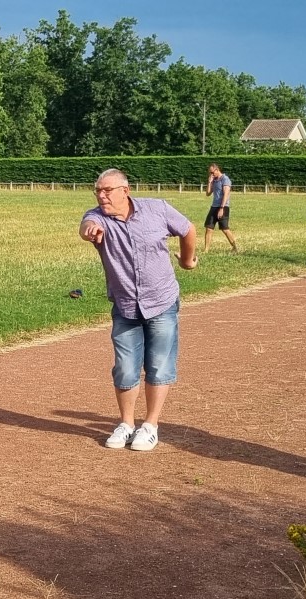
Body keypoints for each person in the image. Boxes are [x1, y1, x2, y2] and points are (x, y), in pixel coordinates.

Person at [80, 168, 198, 452]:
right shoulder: (97, 217)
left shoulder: (156, 209)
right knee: (125, 367)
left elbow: (188, 228)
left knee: (159, 365)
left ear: (125, 190)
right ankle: (126, 423)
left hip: (161, 301)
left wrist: (186, 259)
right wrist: (89, 230)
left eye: (107, 190)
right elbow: (87, 225)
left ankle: (151, 425)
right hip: (125, 305)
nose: (102, 195)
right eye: (98, 190)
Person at [202, 163, 238, 253]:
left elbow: (226, 194)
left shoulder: (225, 179)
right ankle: (206, 250)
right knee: (209, 228)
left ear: (217, 170)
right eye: (210, 173)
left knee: (224, 229)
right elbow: (208, 193)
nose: (211, 174)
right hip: (214, 206)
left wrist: (221, 208)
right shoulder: (214, 180)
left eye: (212, 172)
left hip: (223, 207)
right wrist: (209, 182)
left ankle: (235, 247)